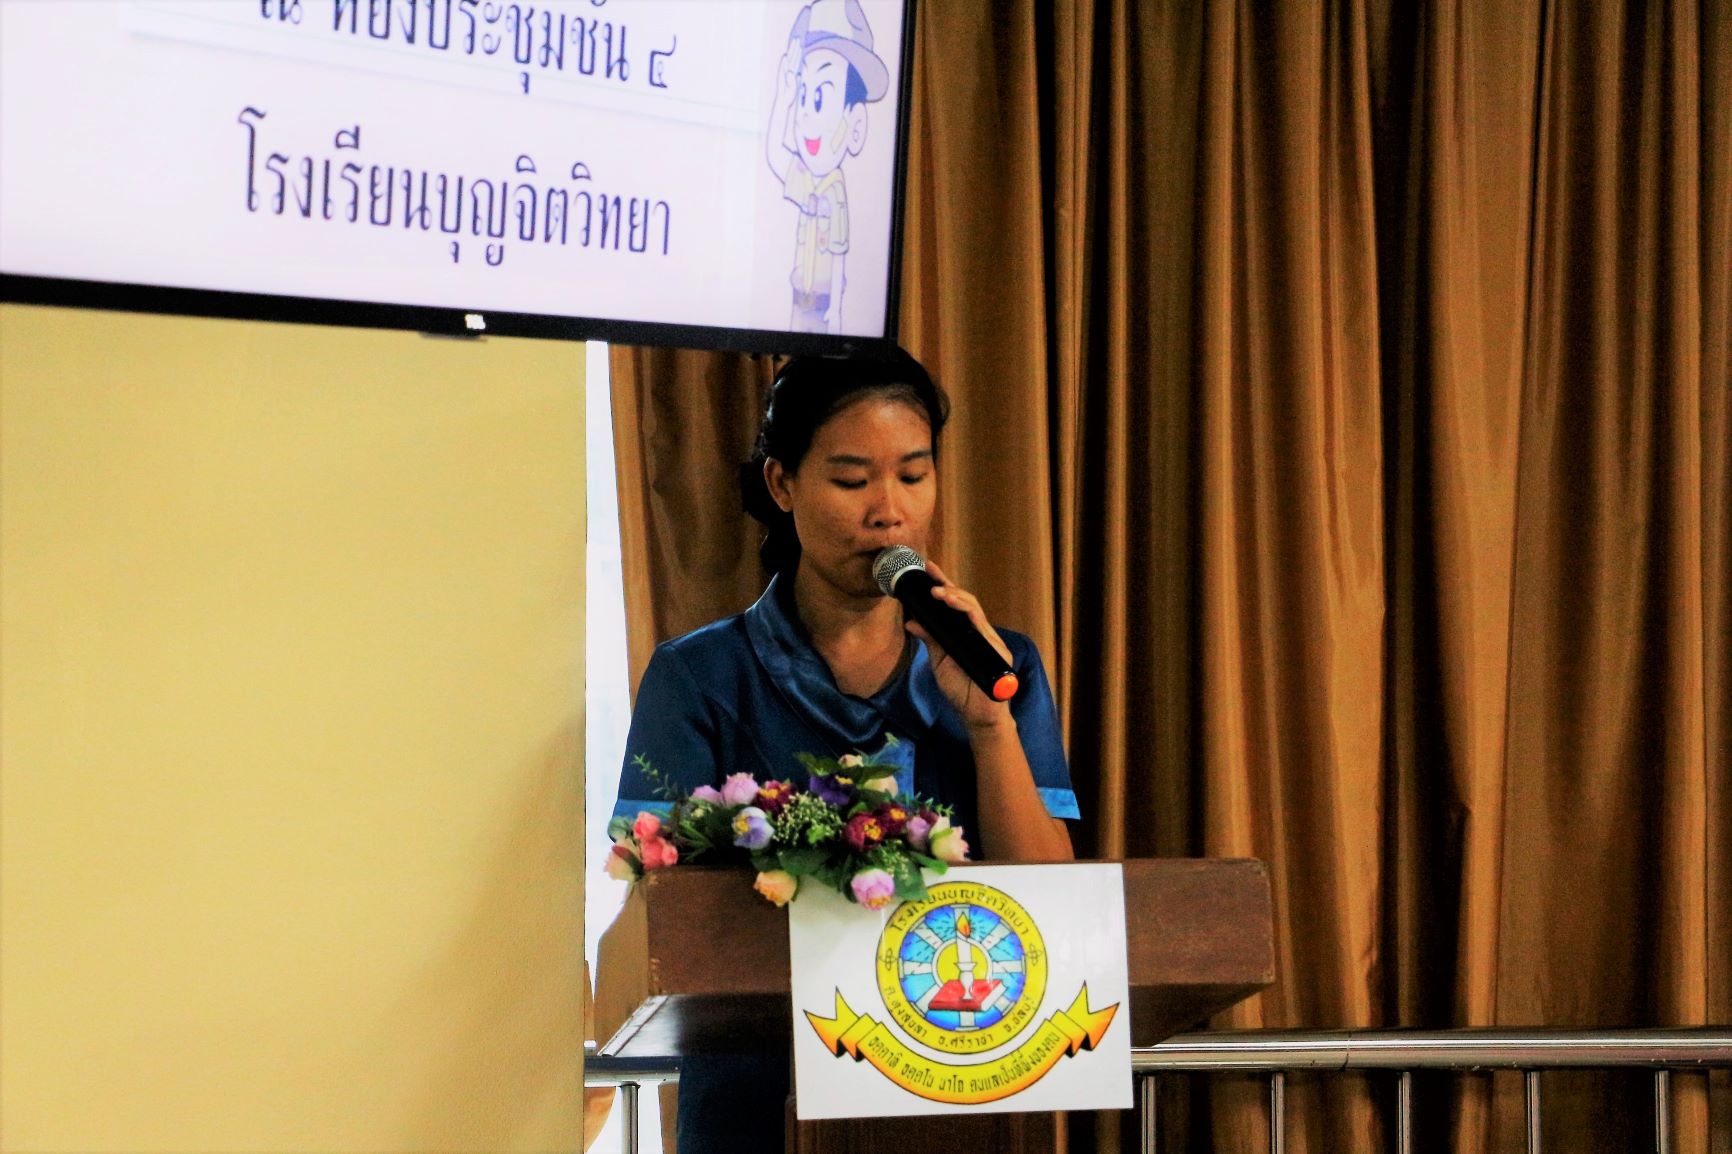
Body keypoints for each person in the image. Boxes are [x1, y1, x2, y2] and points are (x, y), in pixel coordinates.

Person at [610, 349, 1078, 1153]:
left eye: (914, 475)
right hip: (752, 1108)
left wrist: (990, 727)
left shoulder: (999, 666)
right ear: (782, 484)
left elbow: (1051, 906)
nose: (889, 511)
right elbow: (657, 916)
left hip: (953, 1092)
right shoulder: (700, 675)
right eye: (853, 480)